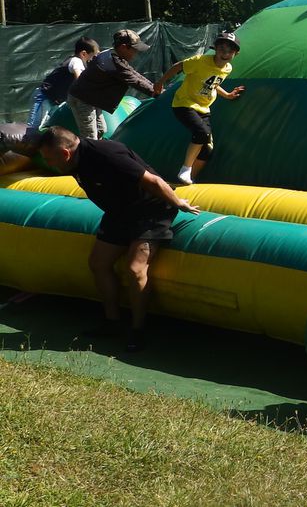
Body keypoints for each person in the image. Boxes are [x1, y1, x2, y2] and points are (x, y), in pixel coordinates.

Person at [37, 126, 200, 352]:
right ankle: (112, 322)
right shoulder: (74, 160)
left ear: (65, 153)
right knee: (98, 263)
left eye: (49, 158)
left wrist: (178, 202)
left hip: (151, 210)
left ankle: (138, 330)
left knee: (135, 268)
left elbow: (153, 181)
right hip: (119, 213)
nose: (49, 163)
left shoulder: (106, 154)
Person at [153, 31, 245, 185]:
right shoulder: (200, 61)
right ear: (215, 49)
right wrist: (160, 82)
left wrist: (227, 95)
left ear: (236, 53)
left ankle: (187, 181)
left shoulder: (227, 68)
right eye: (222, 49)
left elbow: (213, 84)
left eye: (230, 51)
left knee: (207, 150)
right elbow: (178, 66)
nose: (226, 54)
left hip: (204, 108)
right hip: (185, 103)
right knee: (202, 133)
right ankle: (186, 168)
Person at [67, 29, 157, 140]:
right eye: (134, 49)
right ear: (123, 47)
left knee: (101, 130)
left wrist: (156, 87)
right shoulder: (112, 62)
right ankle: (87, 155)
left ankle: (93, 151)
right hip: (81, 99)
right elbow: (135, 81)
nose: (136, 53)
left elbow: (134, 74)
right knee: (90, 136)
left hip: (92, 98)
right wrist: (156, 93)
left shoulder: (114, 56)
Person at [26, 36, 100, 130]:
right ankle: (25, 142)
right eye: (93, 56)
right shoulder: (76, 61)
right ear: (84, 53)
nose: (93, 59)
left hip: (55, 101)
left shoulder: (79, 62)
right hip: (45, 97)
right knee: (33, 128)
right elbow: (80, 79)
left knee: (47, 128)